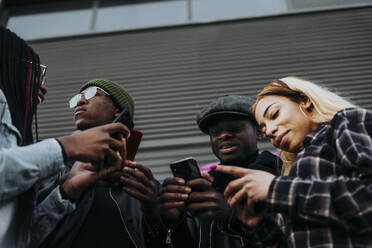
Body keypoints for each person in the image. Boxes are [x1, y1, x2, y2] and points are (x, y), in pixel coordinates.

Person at [0, 27, 129, 248]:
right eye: (32, 71)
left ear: (118, 110)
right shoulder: (49, 158)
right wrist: (65, 147)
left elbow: (22, 239)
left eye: (90, 95)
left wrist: (67, 190)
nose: (42, 88)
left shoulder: (137, 181)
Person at [216, 76, 372, 247]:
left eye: (274, 114)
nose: (270, 131)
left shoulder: (346, 122)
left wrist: (275, 188)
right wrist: (258, 225)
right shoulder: (292, 172)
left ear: (304, 101)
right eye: (264, 129)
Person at [38, 79, 165, 248]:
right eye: (78, 98)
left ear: (117, 110)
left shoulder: (140, 183)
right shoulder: (52, 169)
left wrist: (155, 216)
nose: (80, 101)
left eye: (92, 94)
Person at [158, 95, 282, 248]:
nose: (223, 135)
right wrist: (174, 223)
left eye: (235, 128)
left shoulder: (281, 176)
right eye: (215, 132)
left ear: (258, 132)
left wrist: (233, 218)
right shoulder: (204, 186)